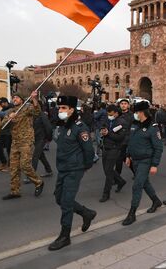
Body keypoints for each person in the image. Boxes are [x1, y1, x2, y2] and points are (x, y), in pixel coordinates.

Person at [48, 95, 97, 251]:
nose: (60, 111)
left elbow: (88, 149)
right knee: (59, 198)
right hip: (62, 168)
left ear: (71, 109)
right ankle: (86, 213)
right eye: (59, 108)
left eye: (63, 108)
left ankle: (65, 236)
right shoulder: (62, 125)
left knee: (67, 202)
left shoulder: (80, 126)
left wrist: (87, 165)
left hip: (74, 169)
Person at [122, 101, 163, 225]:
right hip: (135, 160)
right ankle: (156, 201)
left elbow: (158, 148)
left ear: (142, 112)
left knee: (137, 185)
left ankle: (132, 213)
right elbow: (131, 142)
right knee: (145, 183)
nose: (135, 114)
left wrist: (155, 164)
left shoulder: (152, 127)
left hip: (146, 161)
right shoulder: (135, 125)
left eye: (137, 112)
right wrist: (128, 155)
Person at [1, 92, 44, 200]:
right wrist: (8, 118)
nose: (14, 99)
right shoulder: (10, 111)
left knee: (25, 165)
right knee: (14, 168)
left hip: (26, 141)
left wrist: (34, 99)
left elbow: (37, 112)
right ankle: (15, 191)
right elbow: (3, 126)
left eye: (16, 97)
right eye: (13, 97)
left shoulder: (27, 108)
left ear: (21, 99)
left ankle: (38, 182)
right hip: (15, 142)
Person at [98, 104, 128, 202]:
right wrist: (102, 131)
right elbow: (102, 126)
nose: (109, 115)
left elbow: (120, 138)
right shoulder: (107, 120)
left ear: (116, 113)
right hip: (105, 147)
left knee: (108, 171)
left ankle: (106, 193)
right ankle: (120, 181)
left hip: (114, 148)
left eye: (110, 114)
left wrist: (108, 133)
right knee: (107, 170)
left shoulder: (122, 122)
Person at [30, 105, 53, 179]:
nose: (30, 108)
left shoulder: (42, 115)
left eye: (31, 106)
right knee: (41, 155)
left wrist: (49, 138)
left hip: (41, 138)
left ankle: (31, 176)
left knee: (35, 156)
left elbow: (49, 127)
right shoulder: (32, 115)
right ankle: (49, 170)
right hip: (35, 138)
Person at [115, 98, 134, 177]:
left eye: (125, 104)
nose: (123, 105)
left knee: (121, 159)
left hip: (126, 140)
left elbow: (132, 128)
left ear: (128, 105)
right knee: (120, 159)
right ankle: (117, 177)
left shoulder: (131, 115)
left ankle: (117, 178)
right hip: (117, 140)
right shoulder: (117, 114)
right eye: (122, 104)